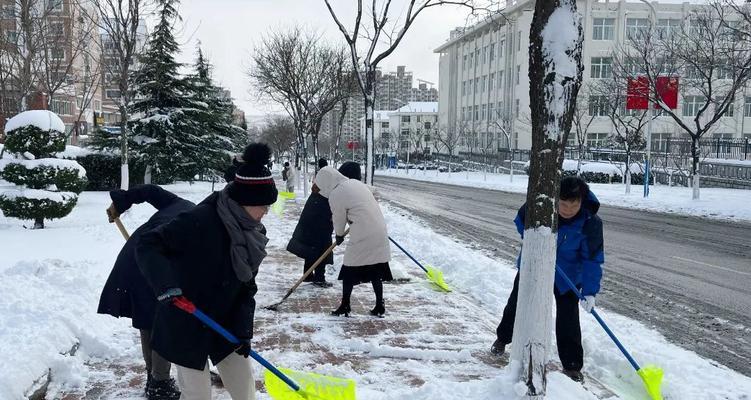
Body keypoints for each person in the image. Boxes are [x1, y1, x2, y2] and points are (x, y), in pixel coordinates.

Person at [136, 143, 277, 400]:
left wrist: (243, 331)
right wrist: (167, 286)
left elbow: (247, 287)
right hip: (187, 317)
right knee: (198, 394)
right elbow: (148, 245)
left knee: (245, 389)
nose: (267, 211)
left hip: (225, 321)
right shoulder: (201, 220)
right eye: (264, 205)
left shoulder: (253, 234)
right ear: (246, 201)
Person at [491, 176, 604, 383]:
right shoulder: (542, 206)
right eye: (563, 203)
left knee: (568, 318)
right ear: (555, 199)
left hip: (568, 276)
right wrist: (537, 238)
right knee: (517, 305)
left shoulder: (591, 223)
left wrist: (589, 291)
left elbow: (593, 259)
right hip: (534, 265)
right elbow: (520, 221)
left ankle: (571, 365)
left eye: (574, 204)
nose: (568, 209)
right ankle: (502, 339)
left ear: (582, 200)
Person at [98, 185, 194, 400]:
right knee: (164, 321)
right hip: (154, 263)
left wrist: (120, 203)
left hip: (135, 255)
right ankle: (159, 383)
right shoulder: (198, 225)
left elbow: (150, 190)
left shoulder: (179, 205)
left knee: (148, 318)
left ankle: (154, 378)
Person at [314, 166, 392, 318]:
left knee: (349, 269)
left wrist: (338, 235)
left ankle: (345, 305)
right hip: (379, 230)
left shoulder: (336, 193)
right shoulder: (355, 183)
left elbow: (338, 217)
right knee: (376, 268)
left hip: (363, 233)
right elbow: (373, 193)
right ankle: (379, 304)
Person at [286, 181, 334, 287]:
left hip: (310, 227)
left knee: (311, 249)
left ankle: (308, 275)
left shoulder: (317, 191)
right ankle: (319, 278)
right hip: (320, 228)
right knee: (322, 250)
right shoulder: (324, 195)